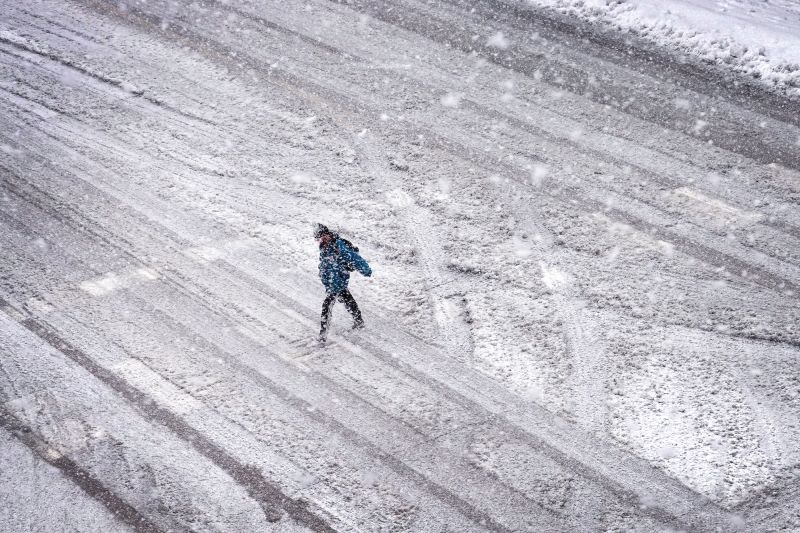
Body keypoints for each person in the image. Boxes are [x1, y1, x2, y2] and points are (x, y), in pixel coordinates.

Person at [315, 223, 372, 342]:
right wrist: (326, 281)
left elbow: (354, 258)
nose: (322, 240)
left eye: (324, 237)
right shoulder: (324, 249)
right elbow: (324, 268)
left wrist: (365, 270)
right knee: (347, 300)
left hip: (338, 282)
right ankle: (359, 321)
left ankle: (323, 334)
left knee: (327, 306)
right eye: (319, 239)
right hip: (333, 283)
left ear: (328, 235)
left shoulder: (338, 245)